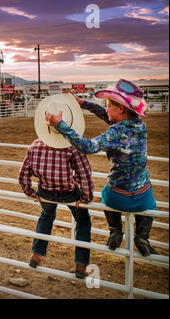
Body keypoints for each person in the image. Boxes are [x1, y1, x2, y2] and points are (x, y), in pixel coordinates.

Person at [45, 79, 158, 257]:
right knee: (149, 193)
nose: (106, 110)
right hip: (142, 197)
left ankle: (115, 230)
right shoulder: (140, 127)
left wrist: (60, 125)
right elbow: (111, 118)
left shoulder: (115, 133)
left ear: (120, 108)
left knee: (107, 193)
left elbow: (87, 146)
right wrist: (84, 104)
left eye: (108, 105)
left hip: (118, 197)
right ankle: (142, 235)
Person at [19, 94, 94, 278]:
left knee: (46, 216)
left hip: (45, 191)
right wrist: (86, 197)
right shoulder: (72, 147)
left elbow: (23, 176)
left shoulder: (35, 146)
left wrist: (32, 193)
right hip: (70, 193)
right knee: (83, 221)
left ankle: (36, 255)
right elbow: (84, 174)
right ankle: (81, 265)